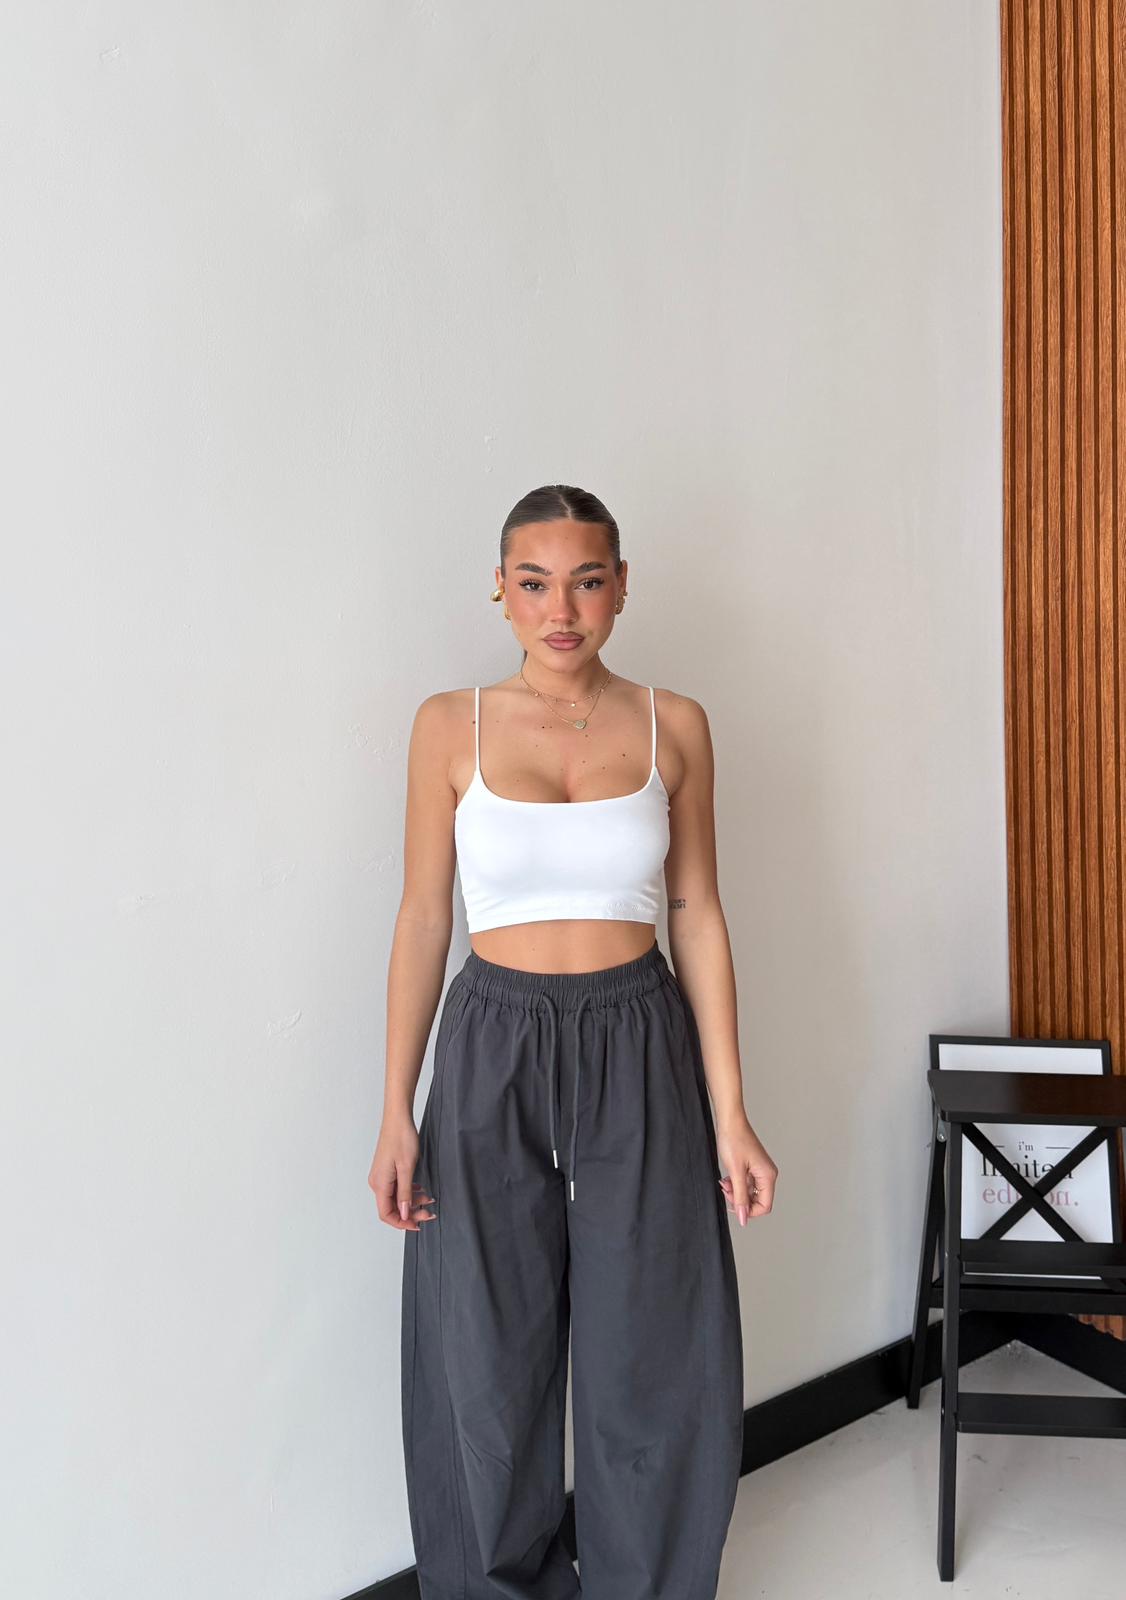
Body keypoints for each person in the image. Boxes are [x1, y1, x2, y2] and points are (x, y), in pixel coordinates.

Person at [369, 484, 778, 1599]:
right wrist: (395, 1108)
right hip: (490, 1044)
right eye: (536, 582)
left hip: (638, 1037)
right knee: (484, 1351)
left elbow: (697, 914)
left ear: (622, 587)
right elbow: (423, 919)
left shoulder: (674, 724)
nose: (562, 610)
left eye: (588, 581)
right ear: (500, 590)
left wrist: (732, 1114)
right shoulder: (447, 725)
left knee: (650, 1343)